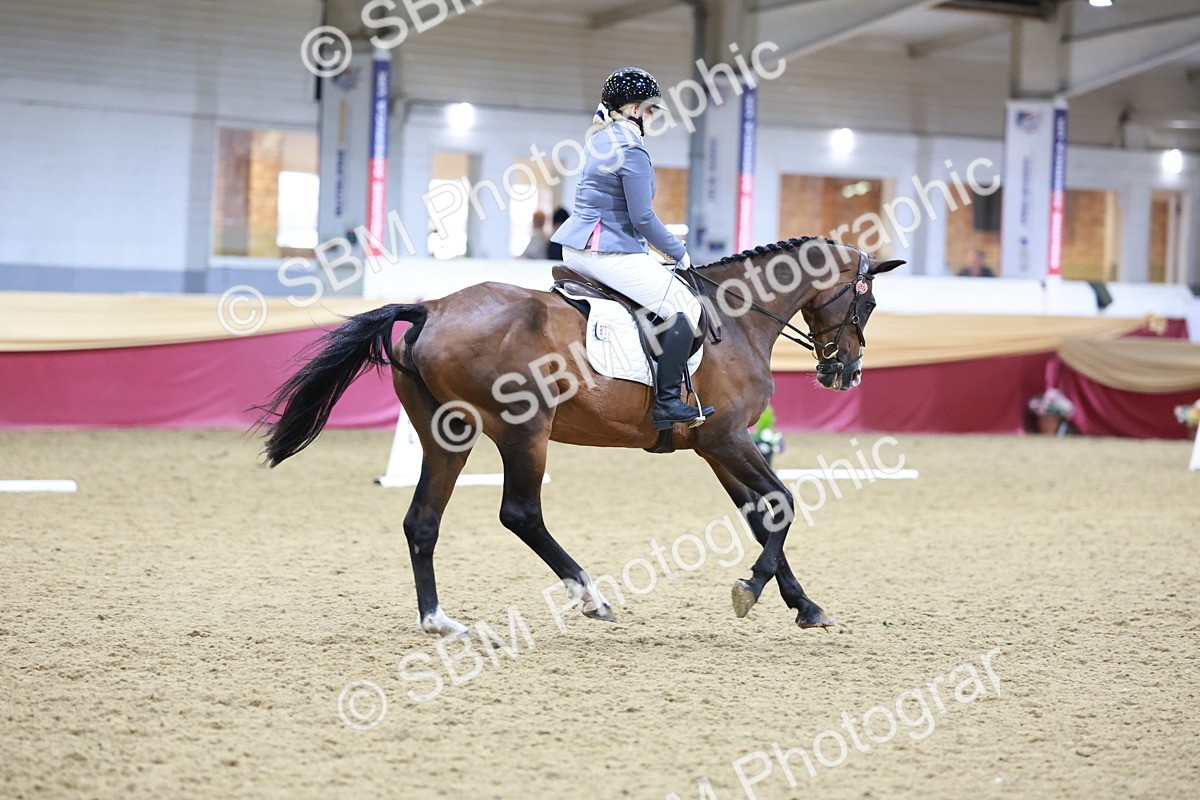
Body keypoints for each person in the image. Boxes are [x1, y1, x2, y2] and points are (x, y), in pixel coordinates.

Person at [550, 67, 711, 430]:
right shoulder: (631, 149)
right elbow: (642, 217)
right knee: (683, 306)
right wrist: (678, 253)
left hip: (579, 247)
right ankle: (668, 402)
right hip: (605, 252)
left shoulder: (600, 139)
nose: (654, 117)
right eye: (651, 109)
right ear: (635, 109)